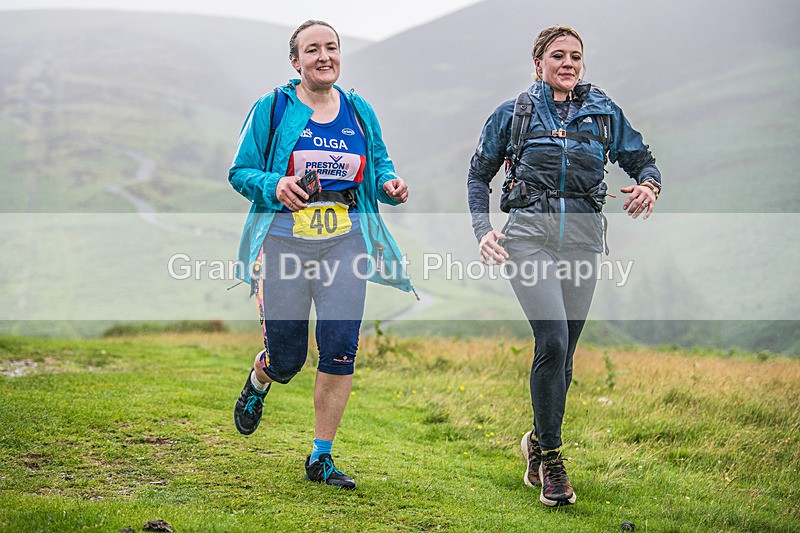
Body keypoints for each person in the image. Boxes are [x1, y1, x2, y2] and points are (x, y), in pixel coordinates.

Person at [467, 25, 661, 507]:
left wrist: (649, 186)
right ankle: (553, 462)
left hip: (582, 241)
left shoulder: (603, 113)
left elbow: (643, 160)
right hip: (528, 237)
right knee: (551, 338)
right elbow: (479, 174)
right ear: (539, 64)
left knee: (565, 353)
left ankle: (535, 441)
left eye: (576, 56)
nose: (569, 63)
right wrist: (483, 229)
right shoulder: (514, 114)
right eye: (558, 56)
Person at [228, 20, 413, 490]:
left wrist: (389, 185)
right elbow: (240, 170)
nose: (324, 56)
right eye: (313, 50)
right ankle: (260, 379)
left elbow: (379, 162)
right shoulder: (273, 107)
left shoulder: (357, 109)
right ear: (296, 61)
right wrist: (275, 185)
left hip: (346, 242)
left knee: (339, 349)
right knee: (287, 359)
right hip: (285, 243)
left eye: (332, 47)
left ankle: (321, 458)